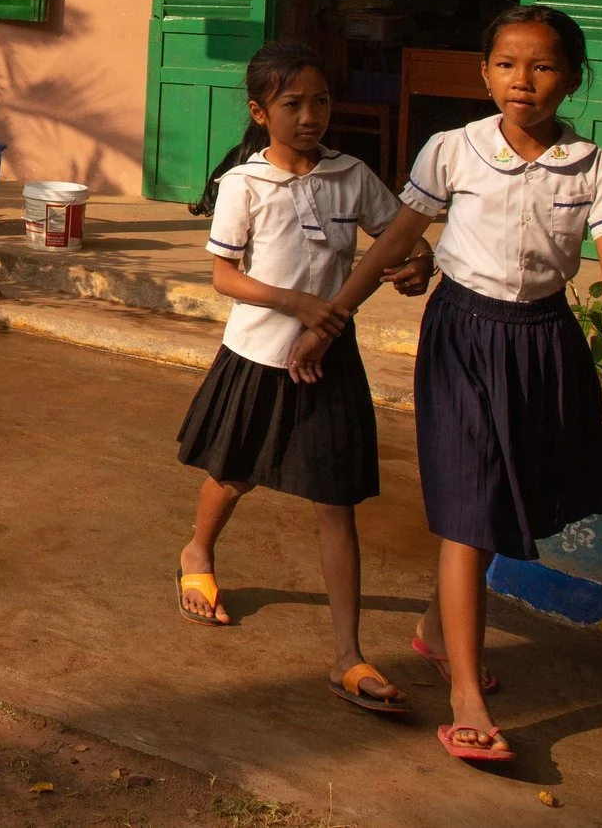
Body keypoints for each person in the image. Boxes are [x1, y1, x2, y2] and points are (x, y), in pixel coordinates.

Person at [351, 5, 602, 767]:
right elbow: (400, 236)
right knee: (471, 508)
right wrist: (336, 309)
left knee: (511, 492)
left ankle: (433, 628)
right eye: (507, 64)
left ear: (572, 77)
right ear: (484, 74)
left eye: (543, 65)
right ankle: (467, 700)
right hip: (462, 335)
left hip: (544, 341)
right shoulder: (453, 150)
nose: (524, 80)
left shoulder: (598, 169)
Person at [173, 41, 430, 716]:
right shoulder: (245, 184)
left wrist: (416, 266)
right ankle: (197, 548)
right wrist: (295, 302)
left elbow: (398, 237)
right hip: (259, 355)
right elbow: (224, 275)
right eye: (293, 104)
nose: (310, 115)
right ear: (261, 112)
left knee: (335, 500)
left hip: (329, 360)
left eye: (320, 101)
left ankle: (347, 654)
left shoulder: (351, 174)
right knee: (234, 471)